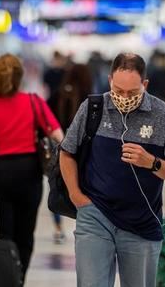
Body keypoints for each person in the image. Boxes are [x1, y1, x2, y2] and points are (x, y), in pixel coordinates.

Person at [59, 53, 165, 287]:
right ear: (110, 80)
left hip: (141, 222)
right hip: (95, 215)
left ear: (145, 85)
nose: (124, 97)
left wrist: (152, 162)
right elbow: (67, 151)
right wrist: (76, 196)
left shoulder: (164, 116)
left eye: (132, 92)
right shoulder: (93, 108)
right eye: (118, 90)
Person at [0, 54, 63, 282]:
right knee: (26, 234)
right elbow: (58, 135)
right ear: (20, 77)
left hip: (0, 175)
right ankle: (19, 277)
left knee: (3, 235)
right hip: (29, 173)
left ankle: (6, 279)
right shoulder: (34, 101)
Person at [48, 63, 93, 244]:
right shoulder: (90, 99)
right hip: (82, 153)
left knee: (57, 186)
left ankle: (58, 228)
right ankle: (82, 224)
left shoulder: (57, 95)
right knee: (82, 188)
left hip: (58, 149)